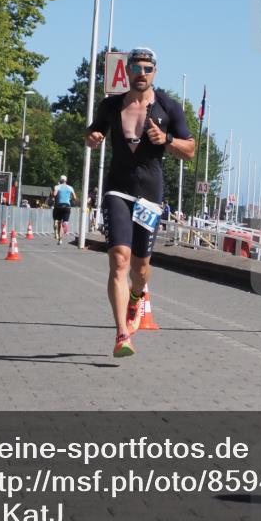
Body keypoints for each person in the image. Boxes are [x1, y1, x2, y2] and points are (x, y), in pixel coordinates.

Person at [85, 47, 195, 357]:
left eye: (148, 68)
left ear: (155, 72)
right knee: (119, 258)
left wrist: (168, 140)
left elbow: (190, 148)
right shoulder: (110, 105)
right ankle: (122, 333)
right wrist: (92, 138)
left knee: (141, 268)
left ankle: (137, 296)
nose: (142, 73)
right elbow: (92, 132)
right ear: (128, 71)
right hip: (117, 189)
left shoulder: (169, 107)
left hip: (149, 194)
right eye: (137, 68)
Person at [51, 175, 77, 245]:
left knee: (58, 223)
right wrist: (69, 198)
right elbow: (75, 197)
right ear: (66, 180)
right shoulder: (70, 187)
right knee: (64, 222)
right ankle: (65, 224)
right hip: (67, 206)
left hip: (59, 206)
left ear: (60, 180)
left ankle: (59, 237)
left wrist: (55, 196)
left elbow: (54, 194)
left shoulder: (57, 186)